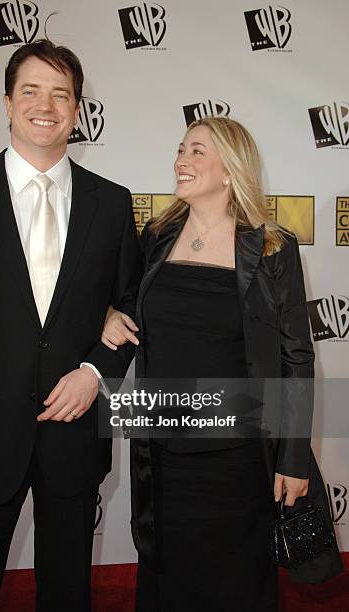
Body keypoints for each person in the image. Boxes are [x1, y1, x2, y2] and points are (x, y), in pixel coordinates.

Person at [0, 39, 141, 611]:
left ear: (76, 109)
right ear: (7, 101)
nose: (45, 105)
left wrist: (96, 370)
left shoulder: (112, 204)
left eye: (60, 94)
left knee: (67, 590)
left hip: (74, 429)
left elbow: (133, 304)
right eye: (31, 91)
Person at [102, 117, 342, 611]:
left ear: (230, 170)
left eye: (197, 152)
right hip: (162, 453)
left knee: (236, 583)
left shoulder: (272, 247)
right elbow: (125, 302)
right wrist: (110, 314)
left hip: (238, 458)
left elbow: (297, 357)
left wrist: (293, 458)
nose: (181, 161)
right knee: (165, 579)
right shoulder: (156, 236)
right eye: (180, 150)